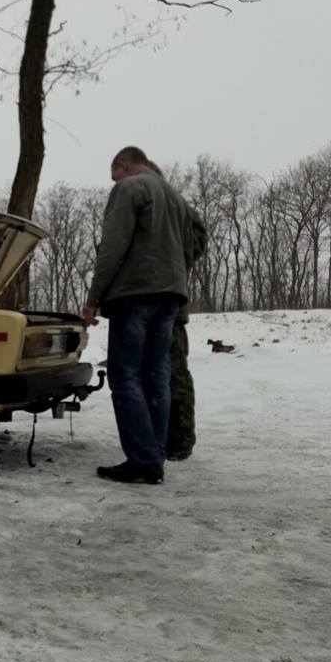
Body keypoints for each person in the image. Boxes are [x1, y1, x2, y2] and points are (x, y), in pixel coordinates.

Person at [82, 146, 195, 484]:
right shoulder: (175, 196)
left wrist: (93, 299)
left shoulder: (130, 188)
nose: (114, 182)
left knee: (125, 374)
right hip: (171, 295)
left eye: (114, 175)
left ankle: (143, 461)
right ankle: (154, 454)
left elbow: (112, 247)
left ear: (124, 166)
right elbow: (189, 249)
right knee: (157, 374)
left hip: (135, 294)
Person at [144, 160, 209, 461]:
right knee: (155, 374)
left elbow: (197, 239)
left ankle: (180, 439)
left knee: (173, 372)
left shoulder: (176, 204)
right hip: (148, 303)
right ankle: (160, 436)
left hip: (169, 305)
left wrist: (173, 263)